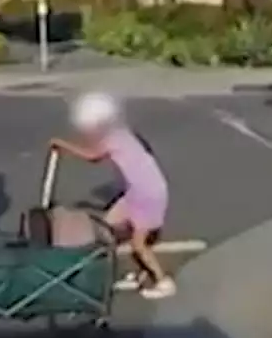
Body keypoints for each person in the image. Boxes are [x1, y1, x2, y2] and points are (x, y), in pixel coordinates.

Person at [49, 92, 178, 299]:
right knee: (109, 226)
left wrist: (62, 145)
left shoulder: (113, 137)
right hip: (137, 191)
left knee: (138, 242)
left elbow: (92, 156)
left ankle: (163, 282)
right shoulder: (120, 132)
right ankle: (140, 275)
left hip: (148, 193)